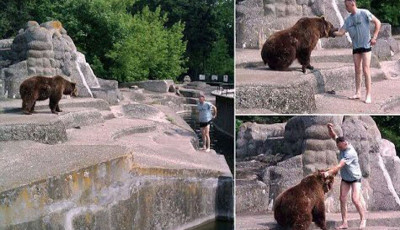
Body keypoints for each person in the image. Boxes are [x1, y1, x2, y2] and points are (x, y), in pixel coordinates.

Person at [333, 0, 381, 104]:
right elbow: (341, 32)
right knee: (357, 70)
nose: (346, 8)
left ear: (352, 3)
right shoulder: (348, 19)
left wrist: (374, 37)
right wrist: (329, 32)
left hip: (366, 45)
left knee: (366, 69)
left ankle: (368, 95)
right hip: (356, 47)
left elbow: (378, 22)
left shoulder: (364, 13)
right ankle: (358, 93)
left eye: (347, 5)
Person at [324, 123, 366, 229]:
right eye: (337, 146)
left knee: (355, 199)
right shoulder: (341, 143)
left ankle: (363, 219)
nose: (338, 148)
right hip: (346, 179)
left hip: (355, 178)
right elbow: (334, 136)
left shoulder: (350, 153)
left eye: (339, 147)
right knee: (342, 198)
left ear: (344, 144)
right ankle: (344, 223)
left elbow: (339, 166)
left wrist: (328, 173)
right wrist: (330, 128)